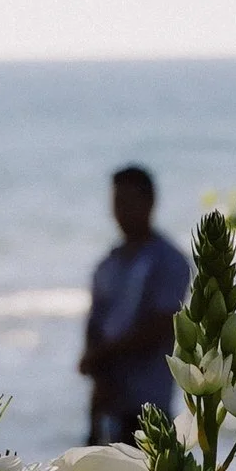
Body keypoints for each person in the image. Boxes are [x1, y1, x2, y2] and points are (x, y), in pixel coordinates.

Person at [81, 168, 190, 440]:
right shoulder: (109, 263)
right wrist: (96, 362)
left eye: (129, 202)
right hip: (107, 403)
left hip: (149, 403)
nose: (122, 211)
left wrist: (104, 354)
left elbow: (162, 326)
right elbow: (95, 324)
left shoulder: (169, 261)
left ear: (150, 202)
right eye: (117, 203)